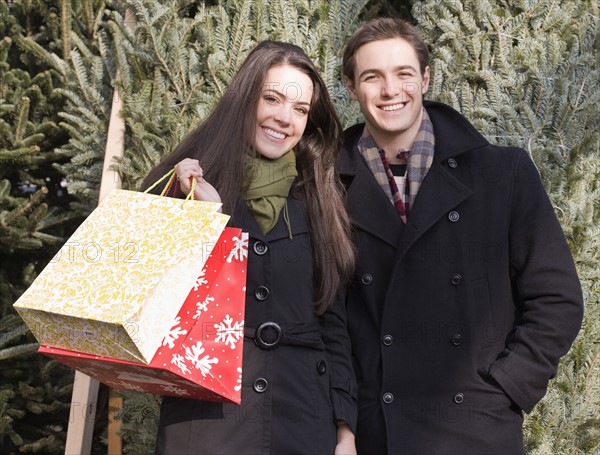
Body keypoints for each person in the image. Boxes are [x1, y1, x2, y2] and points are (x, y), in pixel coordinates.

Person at [337, 17, 584, 455]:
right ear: (352, 87)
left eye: (404, 74)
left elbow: (557, 298)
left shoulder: (501, 173)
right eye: (373, 77)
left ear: (425, 78)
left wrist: (506, 388)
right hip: (376, 433)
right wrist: (344, 424)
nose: (391, 90)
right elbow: (324, 315)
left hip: (476, 430)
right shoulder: (327, 185)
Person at [141, 40, 357, 454]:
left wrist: (345, 428)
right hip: (208, 422)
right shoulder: (187, 184)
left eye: (299, 109)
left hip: (305, 420)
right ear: (244, 100)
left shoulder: (319, 196)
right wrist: (205, 217)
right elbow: (147, 305)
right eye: (272, 99)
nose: (284, 118)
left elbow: (333, 324)